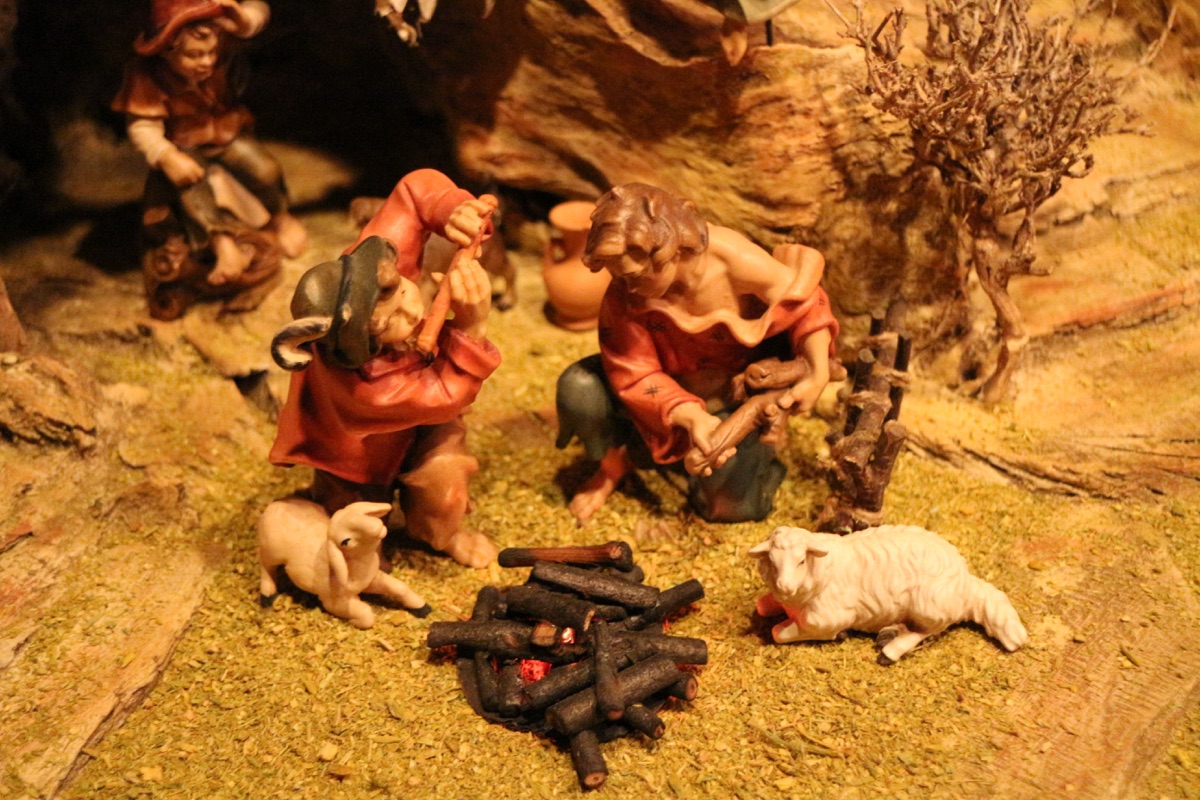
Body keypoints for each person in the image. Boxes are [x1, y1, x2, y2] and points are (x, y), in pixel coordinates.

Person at [556, 183, 838, 523]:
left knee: (730, 508)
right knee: (579, 388)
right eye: (618, 277)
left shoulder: (733, 260)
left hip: (731, 394)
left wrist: (817, 371)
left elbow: (805, 302)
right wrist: (690, 416)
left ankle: (757, 463)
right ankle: (613, 465)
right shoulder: (625, 292)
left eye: (635, 275)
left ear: (668, 253)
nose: (626, 287)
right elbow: (633, 370)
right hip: (659, 398)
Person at [269, 170, 500, 568]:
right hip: (358, 454)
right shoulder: (365, 385)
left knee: (443, 486)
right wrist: (471, 327)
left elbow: (411, 195)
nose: (411, 308)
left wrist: (452, 211)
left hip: (424, 423)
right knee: (353, 523)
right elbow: (444, 395)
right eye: (386, 323)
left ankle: (441, 535)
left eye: (399, 290)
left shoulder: (370, 270)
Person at [113, 0, 307, 287]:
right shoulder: (146, 75)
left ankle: (279, 217)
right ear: (166, 50)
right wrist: (165, 155)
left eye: (211, 53)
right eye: (194, 55)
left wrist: (240, 18)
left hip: (226, 135)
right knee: (192, 186)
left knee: (265, 169)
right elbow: (142, 126)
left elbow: (259, 12)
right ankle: (221, 243)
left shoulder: (216, 45)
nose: (206, 61)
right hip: (183, 144)